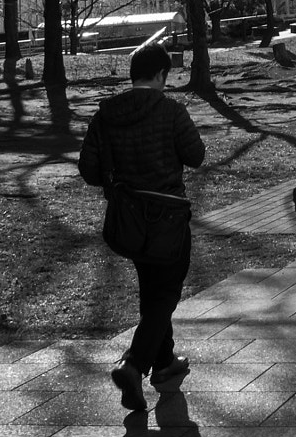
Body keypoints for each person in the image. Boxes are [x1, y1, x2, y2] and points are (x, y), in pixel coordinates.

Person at [78, 41, 205, 412]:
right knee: (165, 295)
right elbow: (196, 156)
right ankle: (133, 365)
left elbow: (88, 169)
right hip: (168, 218)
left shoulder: (106, 115)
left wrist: (119, 180)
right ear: (162, 74)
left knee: (152, 292)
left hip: (128, 221)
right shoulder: (170, 110)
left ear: (133, 73)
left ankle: (163, 364)